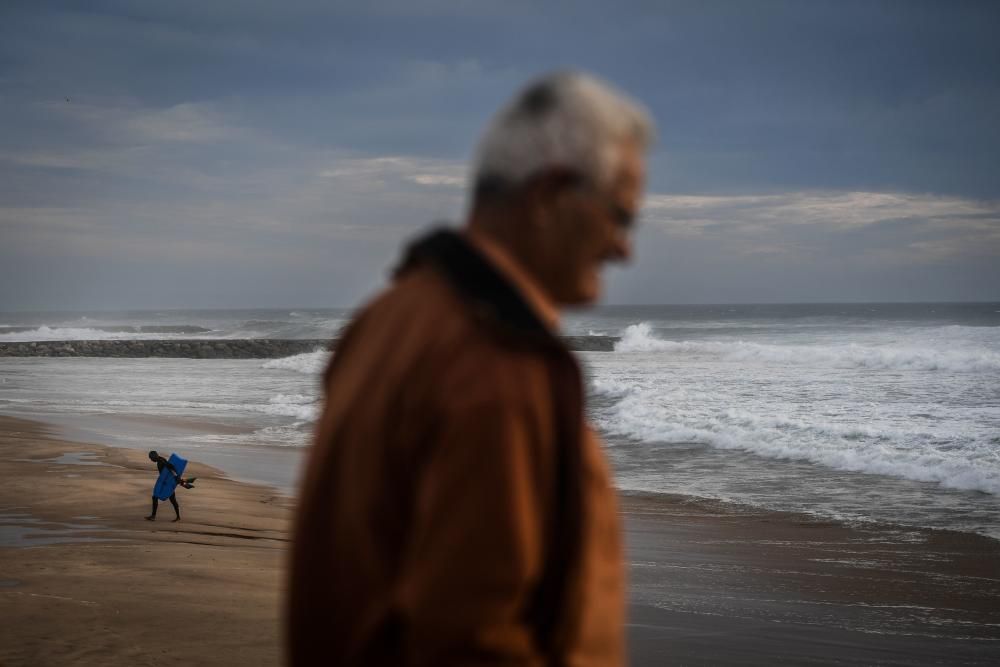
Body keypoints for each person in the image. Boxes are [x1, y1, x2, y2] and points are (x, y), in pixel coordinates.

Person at [288, 71, 653, 666]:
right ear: (550, 196)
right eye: (621, 216)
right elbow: (472, 641)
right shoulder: (496, 363)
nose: (624, 250)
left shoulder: (388, 318)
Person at [145, 450, 195, 522]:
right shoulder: (161, 459)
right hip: (166, 482)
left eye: (151, 458)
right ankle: (177, 517)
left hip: (167, 483)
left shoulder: (161, 461)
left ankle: (153, 516)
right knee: (171, 500)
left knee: (156, 497)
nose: (151, 460)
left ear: (154, 456)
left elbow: (170, 466)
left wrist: (176, 476)